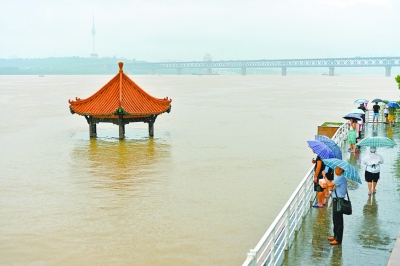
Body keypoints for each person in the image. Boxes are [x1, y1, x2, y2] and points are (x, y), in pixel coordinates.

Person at [323, 166, 347, 245]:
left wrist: (324, 176)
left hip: (339, 201)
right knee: (335, 219)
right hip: (336, 200)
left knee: (338, 220)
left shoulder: (341, 178)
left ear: (341, 170)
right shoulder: (339, 178)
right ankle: (335, 235)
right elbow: (334, 187)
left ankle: (338, 239)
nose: (335, 170)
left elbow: (330, 184)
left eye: (337, 169)